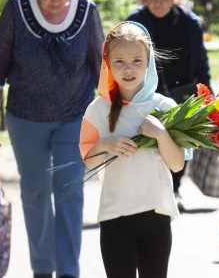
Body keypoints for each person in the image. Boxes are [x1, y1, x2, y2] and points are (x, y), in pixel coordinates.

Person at [0, 0, 104, 278]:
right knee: (35, 191)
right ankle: (42, 268)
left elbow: (99, 68)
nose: (57, 0)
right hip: (26, 117)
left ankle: (68, 271)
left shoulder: (86, 10)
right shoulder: (16, 8)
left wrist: (114, 115)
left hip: (75, 116)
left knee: (69, 190)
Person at [79, 22, 187, 278]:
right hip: (115, 216)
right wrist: (105, 144)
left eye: (137, 60)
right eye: (119, 61)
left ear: (149, 61)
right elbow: (89, 161)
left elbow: (177, 164)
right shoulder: (98, 109)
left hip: (156, 215)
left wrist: (161, 134)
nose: (128, 69)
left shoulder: (164, 106)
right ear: (107, 63)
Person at [127, 0, 212, 208]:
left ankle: (174, 190)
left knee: (178, 142)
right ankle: (153, 191)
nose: (158, 2)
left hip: (182, 93)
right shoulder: (135, 22)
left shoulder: (189, 21)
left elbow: (201, 62)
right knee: (150, 145)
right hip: (145, 93)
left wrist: (207, 97)